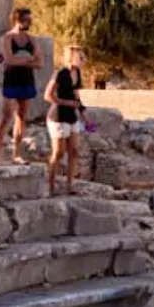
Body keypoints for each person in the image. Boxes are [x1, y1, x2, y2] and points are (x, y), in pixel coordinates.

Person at [0, 7, 41, 164]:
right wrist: (28, 60)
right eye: (26, 19)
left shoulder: (31, 40)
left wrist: (22, 60)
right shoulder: (8, 38)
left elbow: (40, 62)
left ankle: (16, 154)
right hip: (11, 80)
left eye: (30, 19)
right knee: (6, 117)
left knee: (22, 118)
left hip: (27, 81)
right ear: (16, 20)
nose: (29, 22)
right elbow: (9, 60)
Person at [43, 45, 88, 195]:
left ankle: (70, 185)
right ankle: (50, 186)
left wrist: (84, 114)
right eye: (81, 57)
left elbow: (76, 95)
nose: (83, 60)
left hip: (71, 116)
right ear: (72, 57)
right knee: (58, 152)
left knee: (74, 150)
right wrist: (66, 103)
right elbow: (48, 95)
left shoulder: (77, 73)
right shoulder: (61, 73)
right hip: (58, 115)